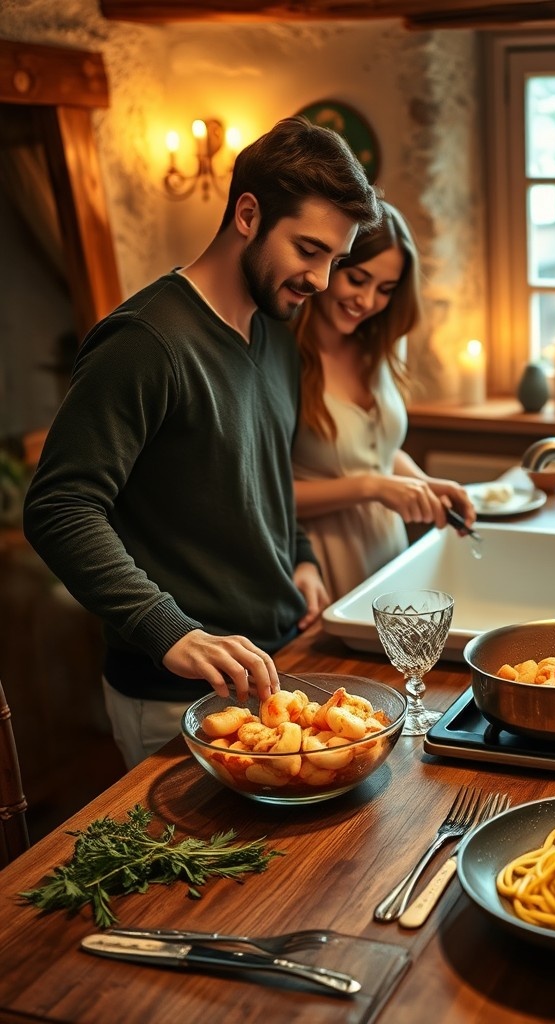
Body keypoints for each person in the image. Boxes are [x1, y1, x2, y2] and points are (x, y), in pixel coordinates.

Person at [23, 116, 381, 768]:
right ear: (248, 214)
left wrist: (298, 556)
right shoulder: (144, 341)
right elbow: (60, 506)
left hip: (274, 666)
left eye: (335, 259)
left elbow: (263, 470)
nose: (322, 281)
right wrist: (171, 630)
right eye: (308, 250)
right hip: (174, 691)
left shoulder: (274, 327)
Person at [290, 202, 476, 600]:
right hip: (323, 561)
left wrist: (424, 485)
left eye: (386, 290)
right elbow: (269, 496)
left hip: (387, 550)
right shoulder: (285, 358)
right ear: (331, 265)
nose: (368, 301)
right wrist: (372, 488)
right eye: (357, 279)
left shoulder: (379, 349)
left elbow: (376, 451)